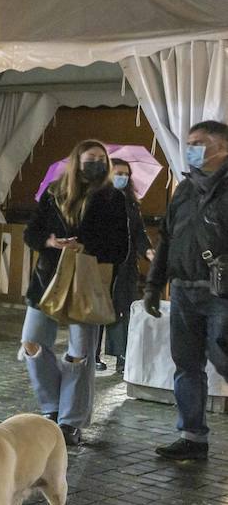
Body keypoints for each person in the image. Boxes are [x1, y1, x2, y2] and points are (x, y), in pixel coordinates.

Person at [20, 140, 128, 447]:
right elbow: (32, 232)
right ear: (76, 161)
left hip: (87, 281)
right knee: (32, 342)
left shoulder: (113, 198)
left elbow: (121, 247)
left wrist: (86, 248)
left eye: (99, 159)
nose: (94, 163)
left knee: (81, 354)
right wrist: (51, 241)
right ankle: (52, 406)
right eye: (88, 158)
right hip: (47, 281)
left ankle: (70, 421)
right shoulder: (54, 192)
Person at [145, 120, 228, 461]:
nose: (190, 148)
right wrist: (153, 285)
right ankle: (192, 437)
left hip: (221, 295)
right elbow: (166, 240)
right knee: (186, 365)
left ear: (222, 148)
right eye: (189, 142)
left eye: (198, 142)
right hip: (182, 291)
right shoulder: (185, 189)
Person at [102, 158, 154, 373]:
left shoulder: (131, 202)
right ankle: (93, 354)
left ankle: (123, 356)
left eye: (125, 174)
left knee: (125, 309)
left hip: (127, 265)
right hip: (103, 264)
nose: (122, 177)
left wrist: (148, 251)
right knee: (102, 310)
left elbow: (139, 232)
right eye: (118, 173)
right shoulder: (99, 200)